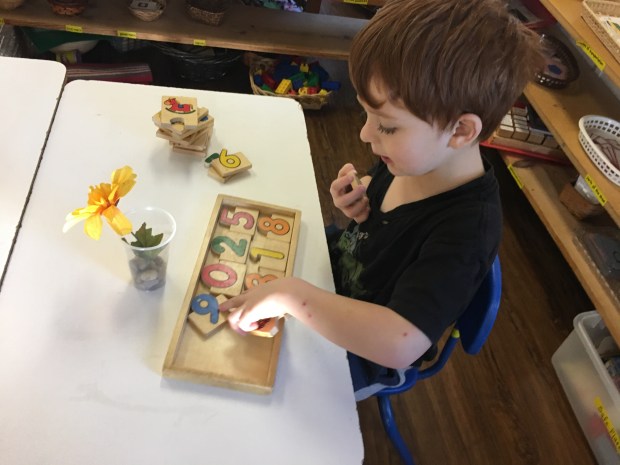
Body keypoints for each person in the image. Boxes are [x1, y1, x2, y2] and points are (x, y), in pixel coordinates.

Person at [220, 0, 544, 400]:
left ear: (460, 131)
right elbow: (384, 216)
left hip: (364, 351)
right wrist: (357, 201)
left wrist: (291, 296)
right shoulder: (415, 157)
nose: (364, 135)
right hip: (333, 279)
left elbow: (399, 343)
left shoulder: (467, 231)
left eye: (386, 126)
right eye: (367, 115)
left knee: (251, 394)